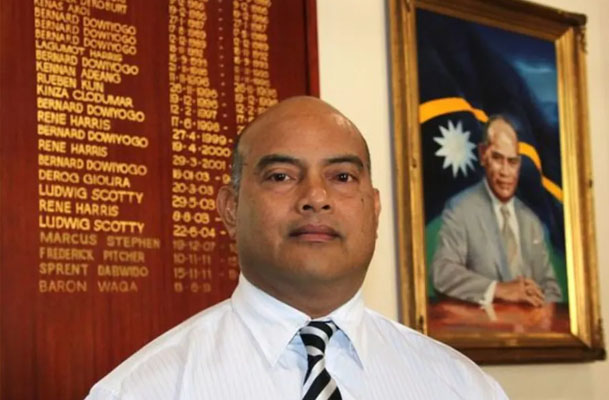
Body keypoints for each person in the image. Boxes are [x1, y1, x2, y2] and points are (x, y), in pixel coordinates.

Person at [87, 97, 507, 399]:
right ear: (231, 208)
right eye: (281, 176)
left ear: (375, 209)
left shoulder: (464, 388)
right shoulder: (140, 390)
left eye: (342, 177)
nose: (316, 197)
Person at [431, 115, 562, 307]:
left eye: (512, 162)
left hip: (530, 324)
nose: (505, 172)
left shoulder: (531, 221)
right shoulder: (460, 209)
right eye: (497, 158)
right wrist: (499, 290)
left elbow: (552, 289)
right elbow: (442, 273)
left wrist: (541, 304)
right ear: (483, 155)